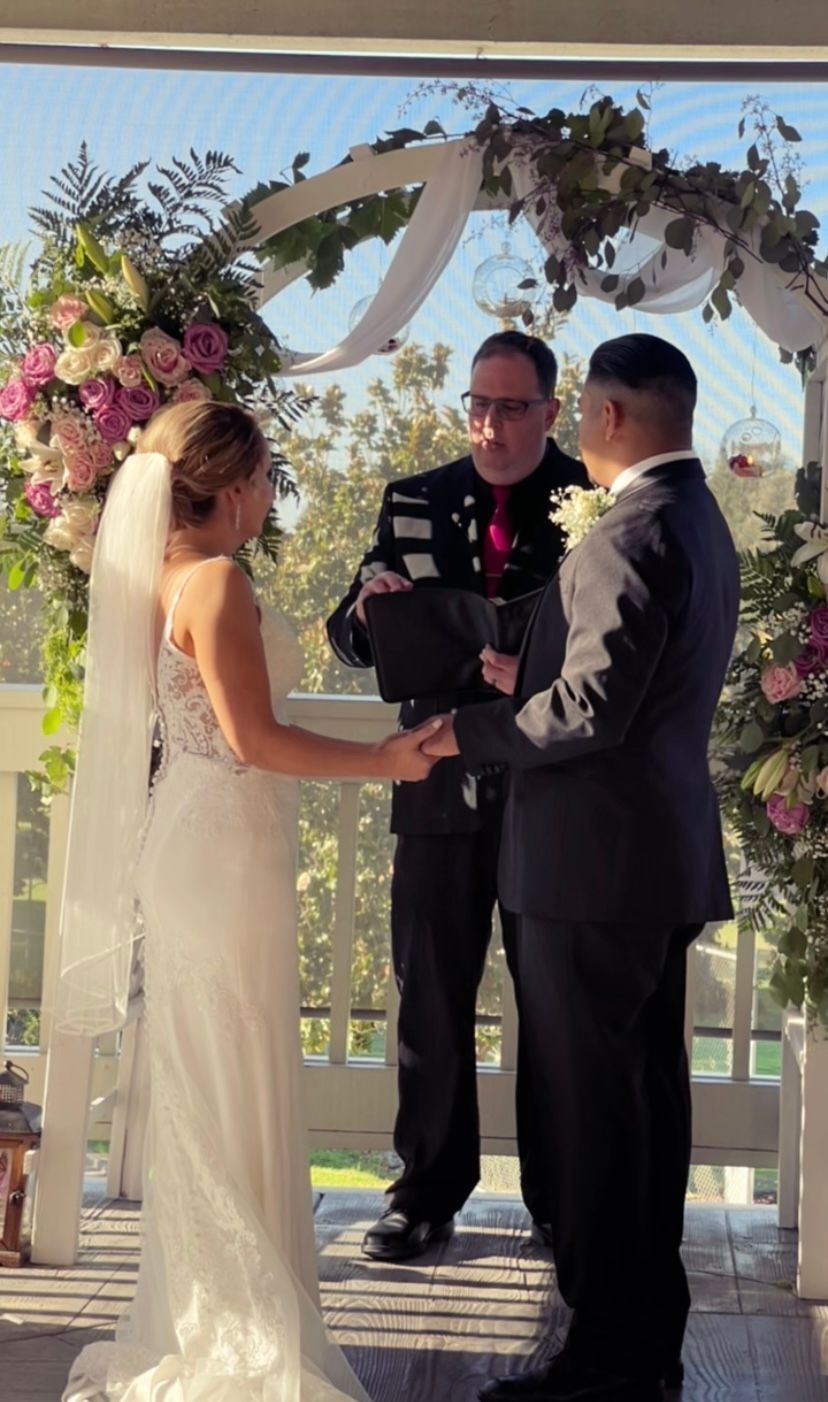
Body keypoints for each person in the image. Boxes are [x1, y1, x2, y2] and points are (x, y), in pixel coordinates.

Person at [58, 400, 442, 1402]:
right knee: (230, 1072)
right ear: (230, 487)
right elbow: (252, 740)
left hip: (201, 840)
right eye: (268, 477)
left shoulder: (154, 572)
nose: (273, 496)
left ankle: (215, 1303)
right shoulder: (217, 581)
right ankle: (236, 1324)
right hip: (223, 846)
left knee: (215, 1076)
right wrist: (387, 760)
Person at [423, 334, 739, 1402]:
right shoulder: (697, 516)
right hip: (653, 863)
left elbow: (594, 709)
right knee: (646, 1103)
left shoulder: (629, 529)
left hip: (589, 873)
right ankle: (646, 1335)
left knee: (599, 1111)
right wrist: (540, 667)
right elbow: (632, 682)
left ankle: (607, 1358)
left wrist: (471, 728)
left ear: (604, 417)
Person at [327, 331, 586, 1261]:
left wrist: (539, 668)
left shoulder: (594, 499)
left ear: (552, 411)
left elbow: (615, 643)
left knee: (554, 994)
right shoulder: (415, 497)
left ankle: (561, 1200)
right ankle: (426, 1191)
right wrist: (366, 610)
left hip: (551, 780)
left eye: (511, 407)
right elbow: (349, 637)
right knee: (428, 989)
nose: (490, 423)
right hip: (434, 774)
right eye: (478, 403)